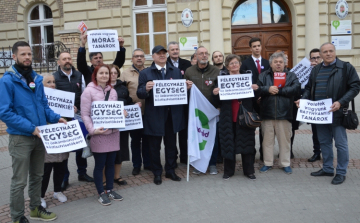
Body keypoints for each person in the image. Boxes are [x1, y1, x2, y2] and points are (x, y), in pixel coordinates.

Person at [0, 41, 67, 223]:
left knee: (37, 176)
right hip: (21, 138)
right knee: (19, 181)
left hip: (40, 136)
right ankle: (17, 216)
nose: (27, 57)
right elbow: (4, 112)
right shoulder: (7, 80)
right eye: (23, 54)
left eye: (29, 54)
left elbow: (42, 105)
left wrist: (55, 117)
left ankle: (36, 209)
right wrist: (31, 128)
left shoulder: (36, 79)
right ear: (14, 57)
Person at [296, 42, 360, 185]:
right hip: (320, 114)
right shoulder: (316, 69)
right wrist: (303, 99)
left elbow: (355, 87)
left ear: (335, 52)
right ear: (321, 54)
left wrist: (341, 102)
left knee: (341, 144)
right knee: (324, 142)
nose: (328, 54)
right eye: (325, 52)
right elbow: (308, 88)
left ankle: (341, 172)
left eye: (331, 51)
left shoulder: (345, 67)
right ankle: (327, 168)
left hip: (337, 113)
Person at [137, 45, 192, 185]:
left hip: (171, 115)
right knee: (155, 146)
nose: (162, 55)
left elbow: (180, 93)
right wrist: (146, 89)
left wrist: (185, 88)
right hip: (155, 115)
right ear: (153, 56)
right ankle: (157, 172)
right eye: (159, 53)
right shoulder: (146, 73)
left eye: (164, 53)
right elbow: (140, 93)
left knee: (171, 145)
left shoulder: (176, 71)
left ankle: (170, 170)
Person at [81, 64, 126, 205]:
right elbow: (85, 114)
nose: (105, 76)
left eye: (107, 73)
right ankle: (101, 192)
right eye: (101, 73)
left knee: (111, 164)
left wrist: (122, 113)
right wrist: (92, 130)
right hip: (99, 134)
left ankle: (110, 189)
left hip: (113, 133)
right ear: (95, 74)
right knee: (100, 165)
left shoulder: (112, 91)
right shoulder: (88, 91)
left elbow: (114, 110)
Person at [52, 51, 94, 192]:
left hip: (78, 116)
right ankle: (64, 178)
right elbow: (52, 98)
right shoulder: (54, 77)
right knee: (64, 149)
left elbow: (83, 94)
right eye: (64, 59)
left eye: (69, 58)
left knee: (81, 146)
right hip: (62, 119)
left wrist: (80, 109)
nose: (67, 61)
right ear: (59, 62)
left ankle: (82, 173)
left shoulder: (79, 75)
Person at [213, 54, 258, 180]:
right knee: (228, 144)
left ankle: (249, 171)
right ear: (227, 66)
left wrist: (255, 89)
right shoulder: (222, 79)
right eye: (231, 63)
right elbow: (216, 102)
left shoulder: (248, 78)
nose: (234, 65)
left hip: (244, 115)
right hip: (228, 116)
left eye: (236, 63)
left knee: (247, 143)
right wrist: (215, 93)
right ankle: (228, 171)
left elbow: (255, 99)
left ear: (240, 64)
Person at [256, 51, 300, 174]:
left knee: (285, 141)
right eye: (276, 62)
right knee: (267, 142)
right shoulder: (263, 76)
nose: (278, 64)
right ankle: (267, 163)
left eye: (281, 62)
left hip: (284, 114)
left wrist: (280, 91)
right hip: (267, 114)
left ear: (285, 63)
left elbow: (296, 88)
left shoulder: (291, 75)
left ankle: (285, 163)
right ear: (271, 64)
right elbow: (257, 89)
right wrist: (267, 89)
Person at [185, 46, 220, 175]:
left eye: (206, 53)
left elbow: (221, 89)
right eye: (201, 53)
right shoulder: (189, 71)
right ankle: (198, 164)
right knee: (197, 138)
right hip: (196, 112)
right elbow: (183, 91)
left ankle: (212, 164)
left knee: (212, 139)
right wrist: (186, 88)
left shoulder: (216, 71)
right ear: (196, 56)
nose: (204, 55)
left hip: (211, 110)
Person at [39, 73, 69, 209]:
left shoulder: (60, 97)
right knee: (45, 171)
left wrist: (71, 110)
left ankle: (57, 191)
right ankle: (40, 196)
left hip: (61, 139)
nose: (52, 84)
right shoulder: (38, 99)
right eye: (48, 82)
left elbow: (66, 117)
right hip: (47, 141)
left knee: (61, 167)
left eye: (53, 82)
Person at [120, 48, 151, 176]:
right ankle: (136, 165)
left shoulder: (150, 71)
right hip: (133, 113)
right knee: (135, 141)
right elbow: (121, 93)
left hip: (149, 112)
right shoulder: (125, 73)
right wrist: (129, 105)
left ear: (144, 59)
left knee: (148, 140)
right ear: (132, 59)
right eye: (136, 56)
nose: (139, 58)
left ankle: (148, 163)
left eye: (141, 56)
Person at [108, 64, 139, 185]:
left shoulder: (122, 87)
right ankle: (107, 177)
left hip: (122, 125)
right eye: (110, 73)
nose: (113, 75)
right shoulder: (102, 88)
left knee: (120, 150)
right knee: (109, 151)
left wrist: (134, 106)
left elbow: (128, 102)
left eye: (115, 73)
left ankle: (117, 176)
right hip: (108, 126)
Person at [240, 37, 270, 161]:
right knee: (250, 128)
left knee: (265, 129)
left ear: (261, 47)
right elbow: (242, 81)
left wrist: (262, 95)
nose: (257, 48)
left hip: (264, 100)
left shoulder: (268, 63)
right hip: (251, 101)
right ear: (250, 48)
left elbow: (269, 80)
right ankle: (250, 154)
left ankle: (264, 154)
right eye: (254, 46)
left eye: (258, 46)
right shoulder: (245, 63)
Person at [167, 41, 192, 164]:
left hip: (184, 103)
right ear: (168, 52)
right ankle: (173, 157)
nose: (175, 51)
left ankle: (184, 156)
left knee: (183, 132)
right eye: (172, 49)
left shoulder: (186, 64)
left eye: (177, 49)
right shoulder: (163, 64)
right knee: (171, 134)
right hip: (169, 105)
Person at [307, 48, 322, 162]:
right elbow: (305, 88)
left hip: (326, 106)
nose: (315, 60)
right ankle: (317, 152)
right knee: (315, 132)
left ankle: (327, 153)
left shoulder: (327, 70)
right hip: (313, 107)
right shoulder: (308, 71)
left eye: (317, 57)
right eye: (313, 58)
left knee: (328, 133)